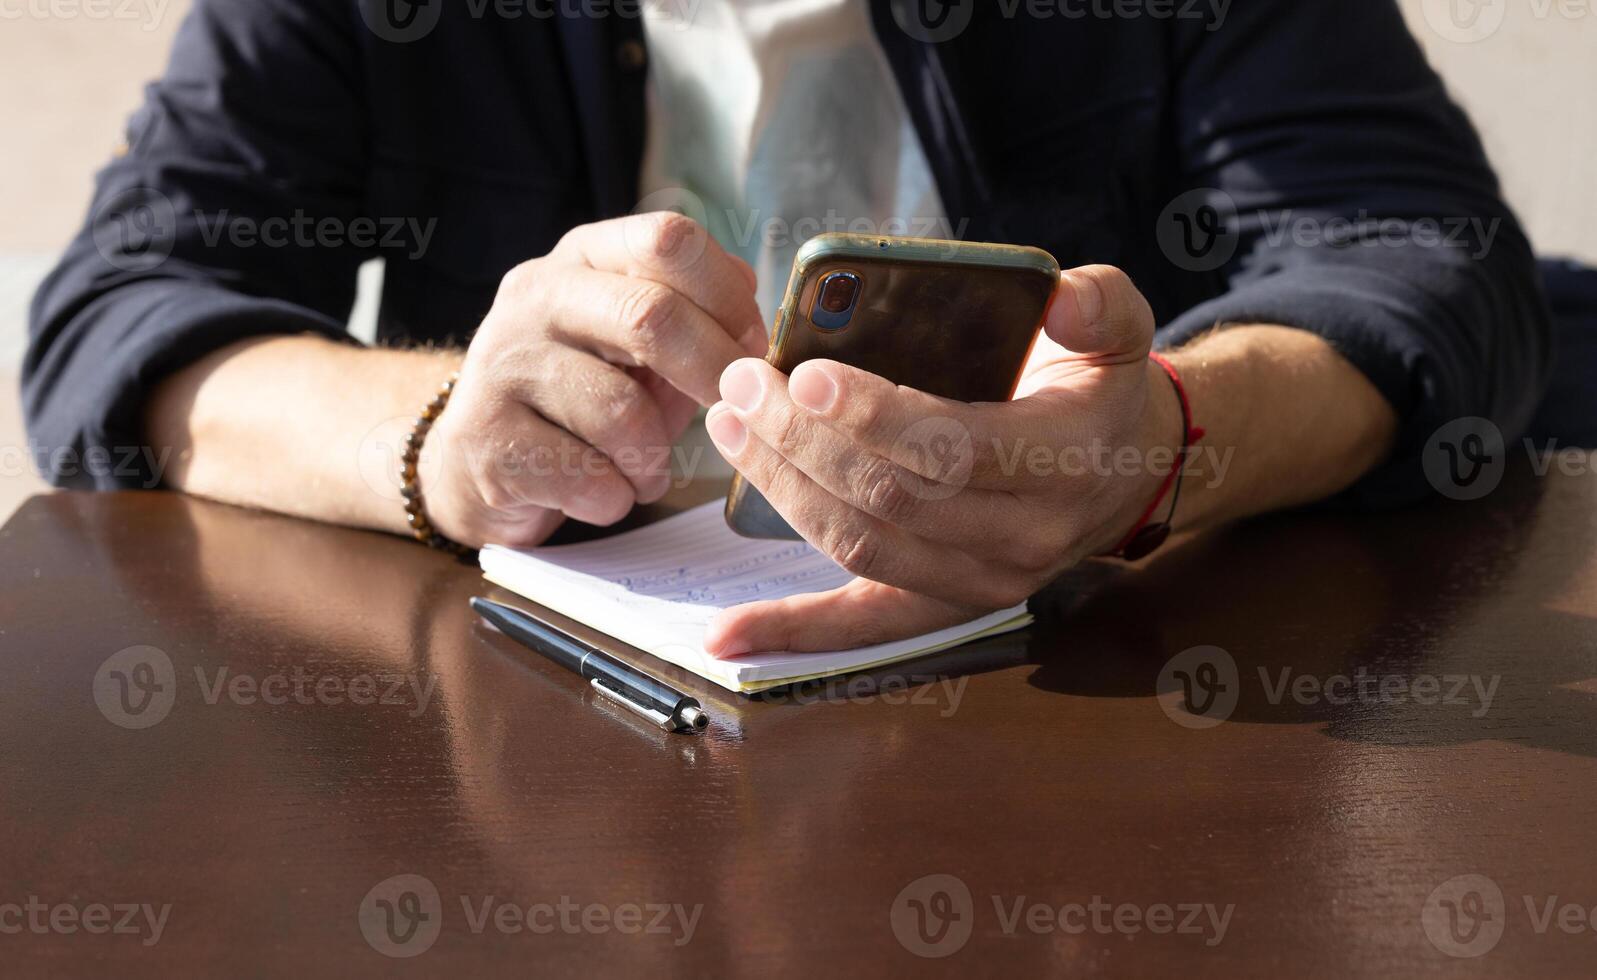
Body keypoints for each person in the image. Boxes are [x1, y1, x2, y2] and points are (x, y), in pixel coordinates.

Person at [25, 0, 1550, 656]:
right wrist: (437, 443)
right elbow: (122, 304)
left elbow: (1410, 248)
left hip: (1117, 689)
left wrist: (1162, 446)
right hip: (545, 737)